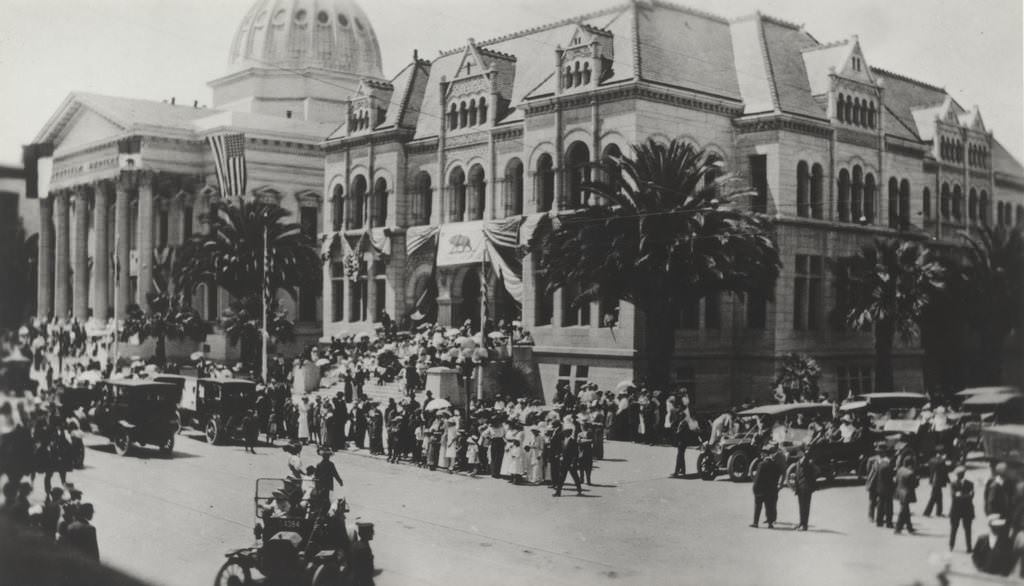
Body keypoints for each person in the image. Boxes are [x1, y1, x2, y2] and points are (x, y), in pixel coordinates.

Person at [751, 444, 782, 529]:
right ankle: (770, 523)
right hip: (771, 489)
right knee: (769, 506)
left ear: (765, 455)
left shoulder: (761, 464)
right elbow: (778, 476)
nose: (761, 455)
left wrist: (755, 488)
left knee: (758, 506)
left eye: (762, 454)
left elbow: (757, 478)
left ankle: (755, 522)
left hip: (761, 489)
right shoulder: (775, 464)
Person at [949, 466, 975, 552]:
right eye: (958, 474)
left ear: (963, 474)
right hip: (958, 510)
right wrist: (965, 495)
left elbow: (971, 496)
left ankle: (969, 547)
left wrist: (960, 495)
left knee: (968, 529)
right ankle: (951, 545)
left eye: (960, 474)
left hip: (965, 510)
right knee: (954, 529)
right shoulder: (953, 484)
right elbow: (954, 496)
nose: (959, 475)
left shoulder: (970, 484)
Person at [792, 447, 818, 531]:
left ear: (802, 452)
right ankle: (801, 523)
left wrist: (811, 484)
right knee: (801, 506)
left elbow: (816, 472)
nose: (797, 453)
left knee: (805, 507)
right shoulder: (798, 461)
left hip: (806, 487)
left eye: (798, 452)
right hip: (800, 487)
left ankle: (804, 525)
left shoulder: (808, 461)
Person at [894, 458, 918, 534]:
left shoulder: (900, 470)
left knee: (906, 510)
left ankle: (909, 527)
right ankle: (898, 528)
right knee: (903, 511)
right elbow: (914, 485)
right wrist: (917, 480)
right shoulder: (910, 473)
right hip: (907, 493)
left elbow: (897, 480)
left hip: (899, 492)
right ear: (910, 464)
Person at [923, 447, 949, 517]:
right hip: (937, 482)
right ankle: (927, 512)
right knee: (933, 497)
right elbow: (944, 471)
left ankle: (939, 512)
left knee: (939, 497)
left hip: (934, 481)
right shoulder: (940, 461)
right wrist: (943, 459)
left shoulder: (931, 460)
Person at [874, 447, 896, 528]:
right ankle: (888, 523)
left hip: (880, 488)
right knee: (889, 506)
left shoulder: (879, 465)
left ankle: (879, 522)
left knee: (880, 505)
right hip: (888, 488)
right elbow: (891, 478)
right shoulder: (888, 466)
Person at [864, 442, 884, 522]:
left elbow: (868, 471)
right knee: (873, 500)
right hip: (874, 481)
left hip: (878, 481)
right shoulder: (872, 459)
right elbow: (868, 471)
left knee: (880, 500)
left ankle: (876, 516)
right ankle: (871, 516)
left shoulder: (872, 459)